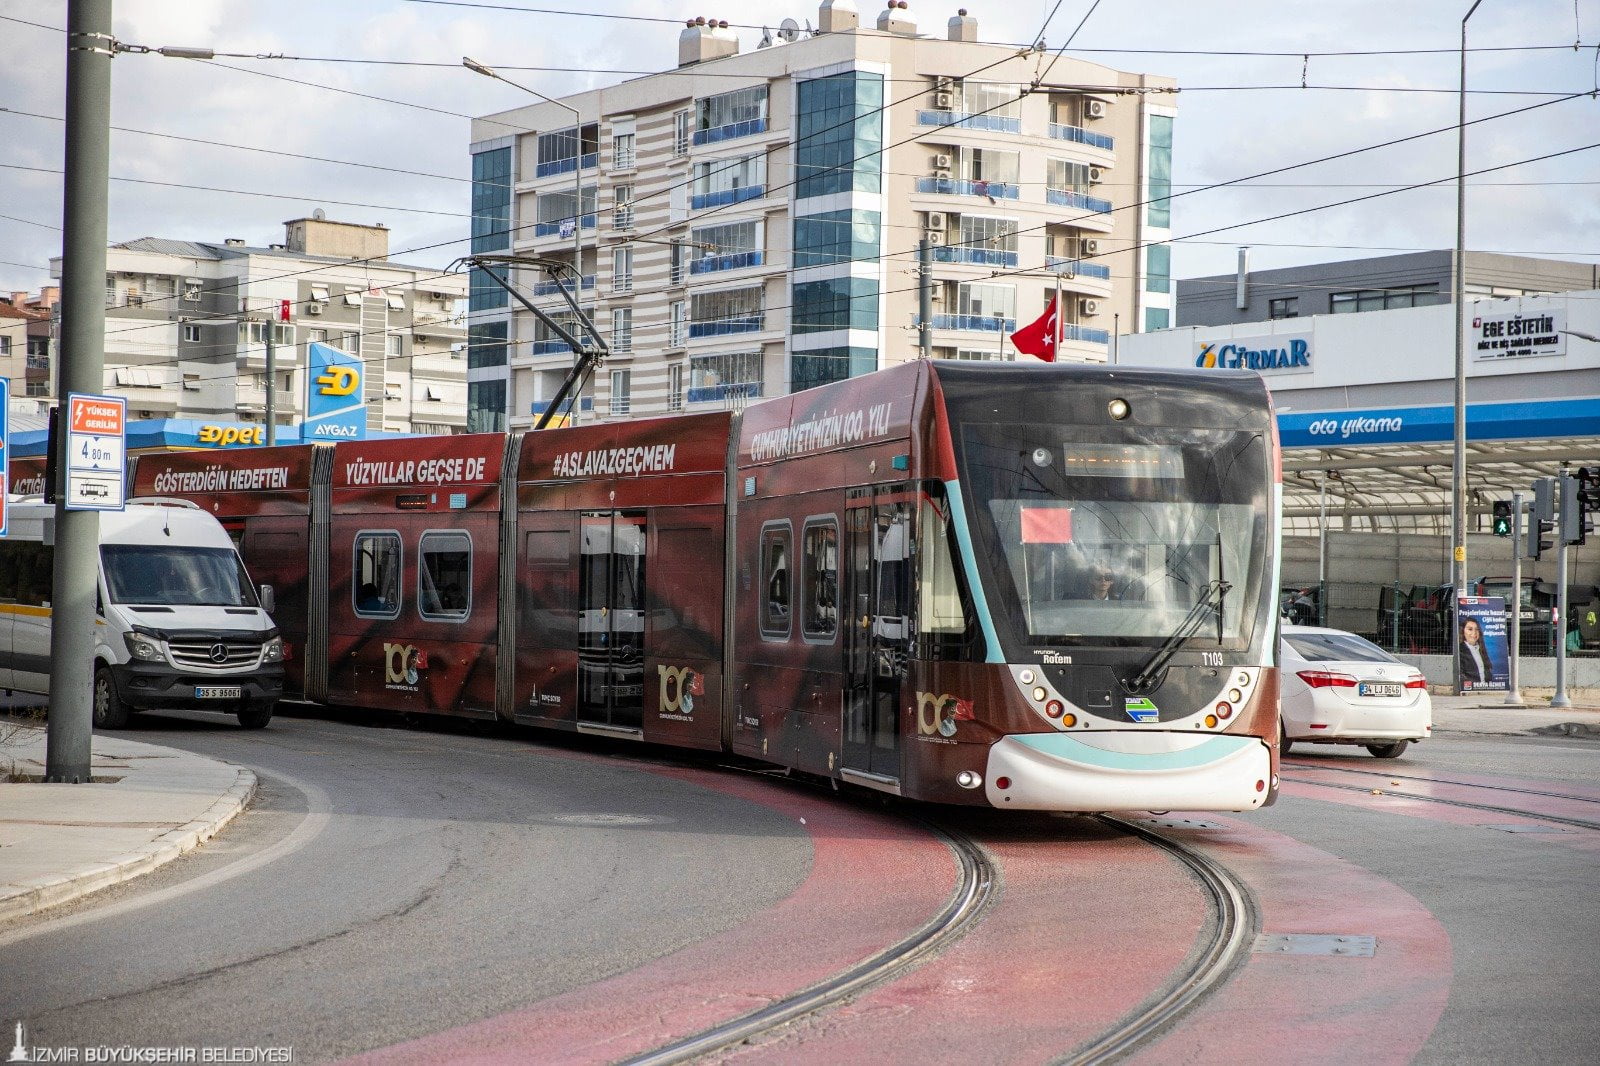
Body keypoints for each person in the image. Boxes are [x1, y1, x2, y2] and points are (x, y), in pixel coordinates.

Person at [1458, 617, 1489, 685]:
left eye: (1477, 629)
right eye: (1470, 629)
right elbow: (1460, 674)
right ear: (1463, 631)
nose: (1474, 633)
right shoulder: (1459, 650)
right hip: (1471, 688)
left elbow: (1487, 672)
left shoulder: (1481, 649)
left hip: (1485, 688)